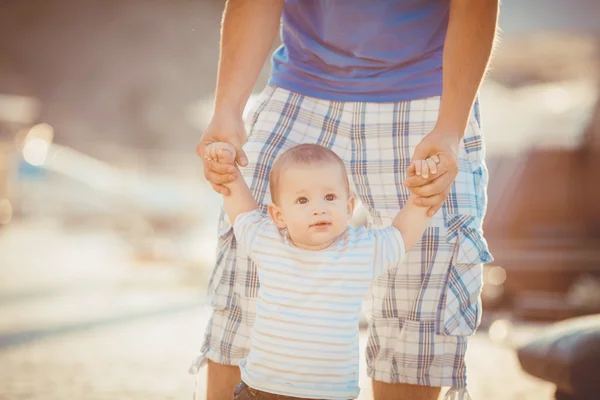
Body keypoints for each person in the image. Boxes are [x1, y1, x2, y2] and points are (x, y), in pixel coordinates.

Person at [191, 1, 498, 399]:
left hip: (428, 90)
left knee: (417, 311)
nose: (317, 209)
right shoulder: (261, 226)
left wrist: (450, 131)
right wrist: (227, 110)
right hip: (301, 86)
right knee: (242, 287)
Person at [203, 142, 437, 399]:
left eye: (329, 197)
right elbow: (240, 209)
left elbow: (402, 235)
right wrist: (229, 172)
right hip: (262, 389)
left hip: (330, 394)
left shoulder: (360, 250)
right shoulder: (267, 240)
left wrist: (422, 195)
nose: (319, 208)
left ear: (348, 208)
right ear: (279, 216)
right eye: (302, 200)